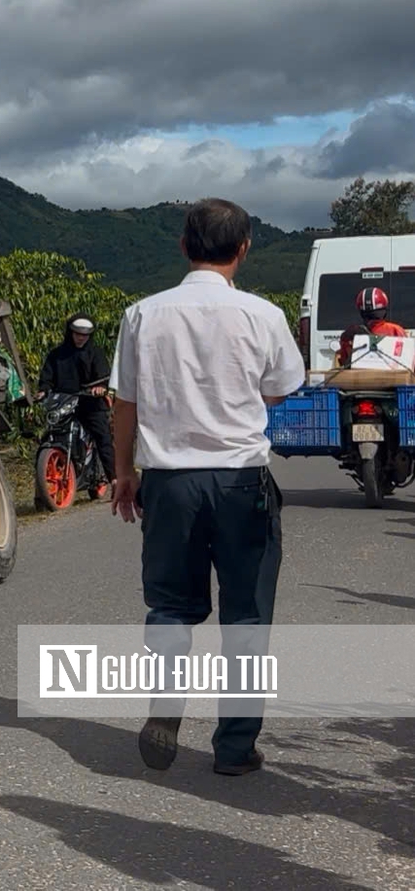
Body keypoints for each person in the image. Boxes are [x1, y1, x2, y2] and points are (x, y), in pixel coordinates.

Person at [108, 198, 306, 777]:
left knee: (170, 606)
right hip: (241, 481)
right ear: (243, 248)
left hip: (169, 483)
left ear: (183, 245)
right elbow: (279, 390)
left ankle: (166, 707)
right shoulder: (262, 316)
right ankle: (235, 749)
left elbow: (125, 404)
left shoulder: (142, 314)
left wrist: (125, 473)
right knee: (246, 617)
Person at [37, 314, 114, 487]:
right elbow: (47, 378)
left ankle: (115, 480)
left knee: (103, 439)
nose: (81, 338)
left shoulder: (96, 353)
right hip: (64, 404)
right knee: (46, 439)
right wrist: (43, 390)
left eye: (85, 334)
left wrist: (100, 387)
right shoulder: (56, 355)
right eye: (77, 333)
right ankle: (41, 494)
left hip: (91, 404)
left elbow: (102, 376)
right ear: (70, 332)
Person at [334, 286, 407, 367]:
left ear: (361, 312)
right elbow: (407, 358)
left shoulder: (349, 334)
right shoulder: (396, 330)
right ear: (384, 309)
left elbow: (344, 363)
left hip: (359, 378)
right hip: (394, 378)